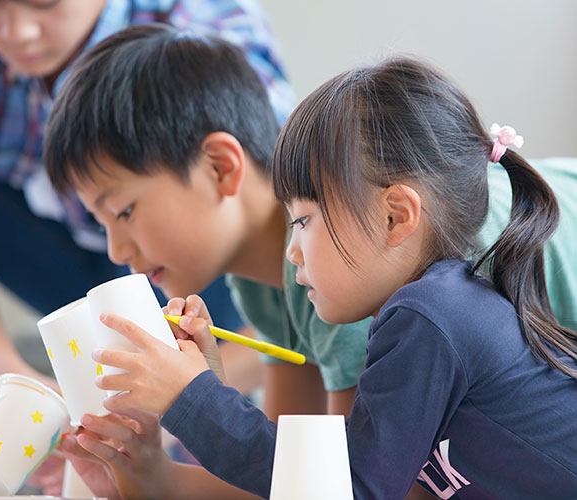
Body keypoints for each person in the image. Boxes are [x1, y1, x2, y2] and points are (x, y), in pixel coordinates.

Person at [44, 26, 577, 498]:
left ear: (396, 217)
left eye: (303, 222)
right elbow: (295, 465)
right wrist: (200, 397)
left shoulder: (425, 314)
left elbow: (345, 485)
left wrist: (193, 399)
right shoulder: (421, 307)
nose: (292, 248)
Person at [0, 0, 293, 496]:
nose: (18, 31)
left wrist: (192, 403)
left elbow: (272, 208)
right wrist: (19, 389)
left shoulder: (204, 32)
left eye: (44, 3)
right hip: (103, 259)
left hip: (210, 270)